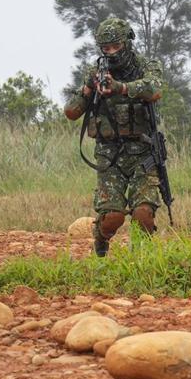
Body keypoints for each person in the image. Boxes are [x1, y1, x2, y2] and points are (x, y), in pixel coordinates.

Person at [64, 17, 164, 257]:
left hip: (143, 151)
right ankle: (100, 239)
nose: (111, 53)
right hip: (110, 155)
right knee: (112, 217)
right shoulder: (97, 72)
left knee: (143, 214)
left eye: (116, 47)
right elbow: (71, 112)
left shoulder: (145, 66)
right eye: (106, 49)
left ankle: (141, 259)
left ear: (127, 42)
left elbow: (155, 89)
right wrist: (89, 88)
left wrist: (120, 87)